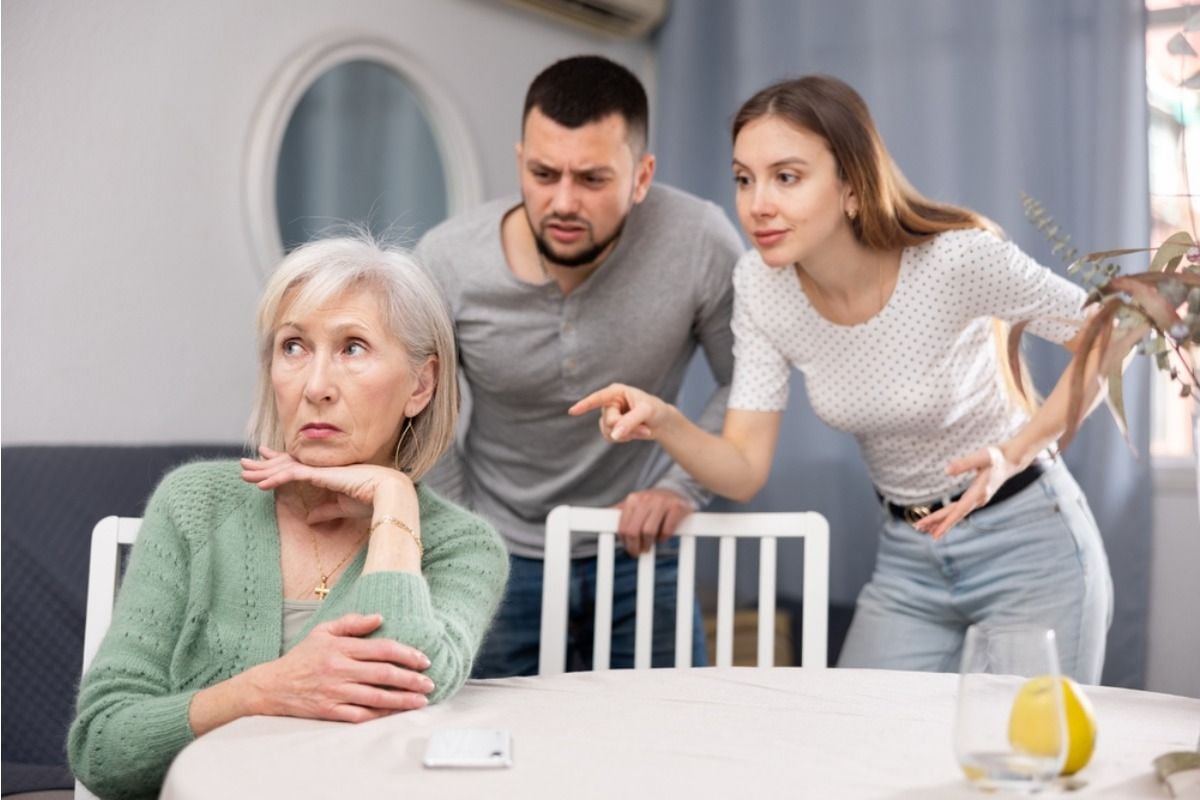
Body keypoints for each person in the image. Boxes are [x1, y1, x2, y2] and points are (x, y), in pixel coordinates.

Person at [572, 75, 1114, 683]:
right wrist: (666, 422)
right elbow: (743, 469)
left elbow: (1110, 333)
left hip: (1028, 542)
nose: (757, 205)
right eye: (744, 179)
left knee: (1027, 742)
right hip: (911, 554)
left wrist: (1013, 453)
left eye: (787, 177)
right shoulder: (762, 286)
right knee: (856, 735)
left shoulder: (955, 258)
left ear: (852, 186)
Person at [68, 236, 509, 799]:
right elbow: (101, 747)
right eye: (294, 347)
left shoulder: (464, 548)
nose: (316, 386)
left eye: (353, 348)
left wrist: (395, 500)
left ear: (420, 386)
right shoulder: (194, 504)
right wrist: (262, 690)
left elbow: (400, 695)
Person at [416, 55, 742, 677]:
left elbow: (748, 381)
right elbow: (417, 410)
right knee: (489, 734)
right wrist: (463, 533)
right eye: (543, 174)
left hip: (639, 545)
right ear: (520, 162)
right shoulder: (446, 260)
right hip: (495, 550)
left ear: (641, 177)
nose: (562, 202)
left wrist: (680, 486)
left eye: (592, 179)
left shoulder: (700, 240)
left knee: (668, 730)